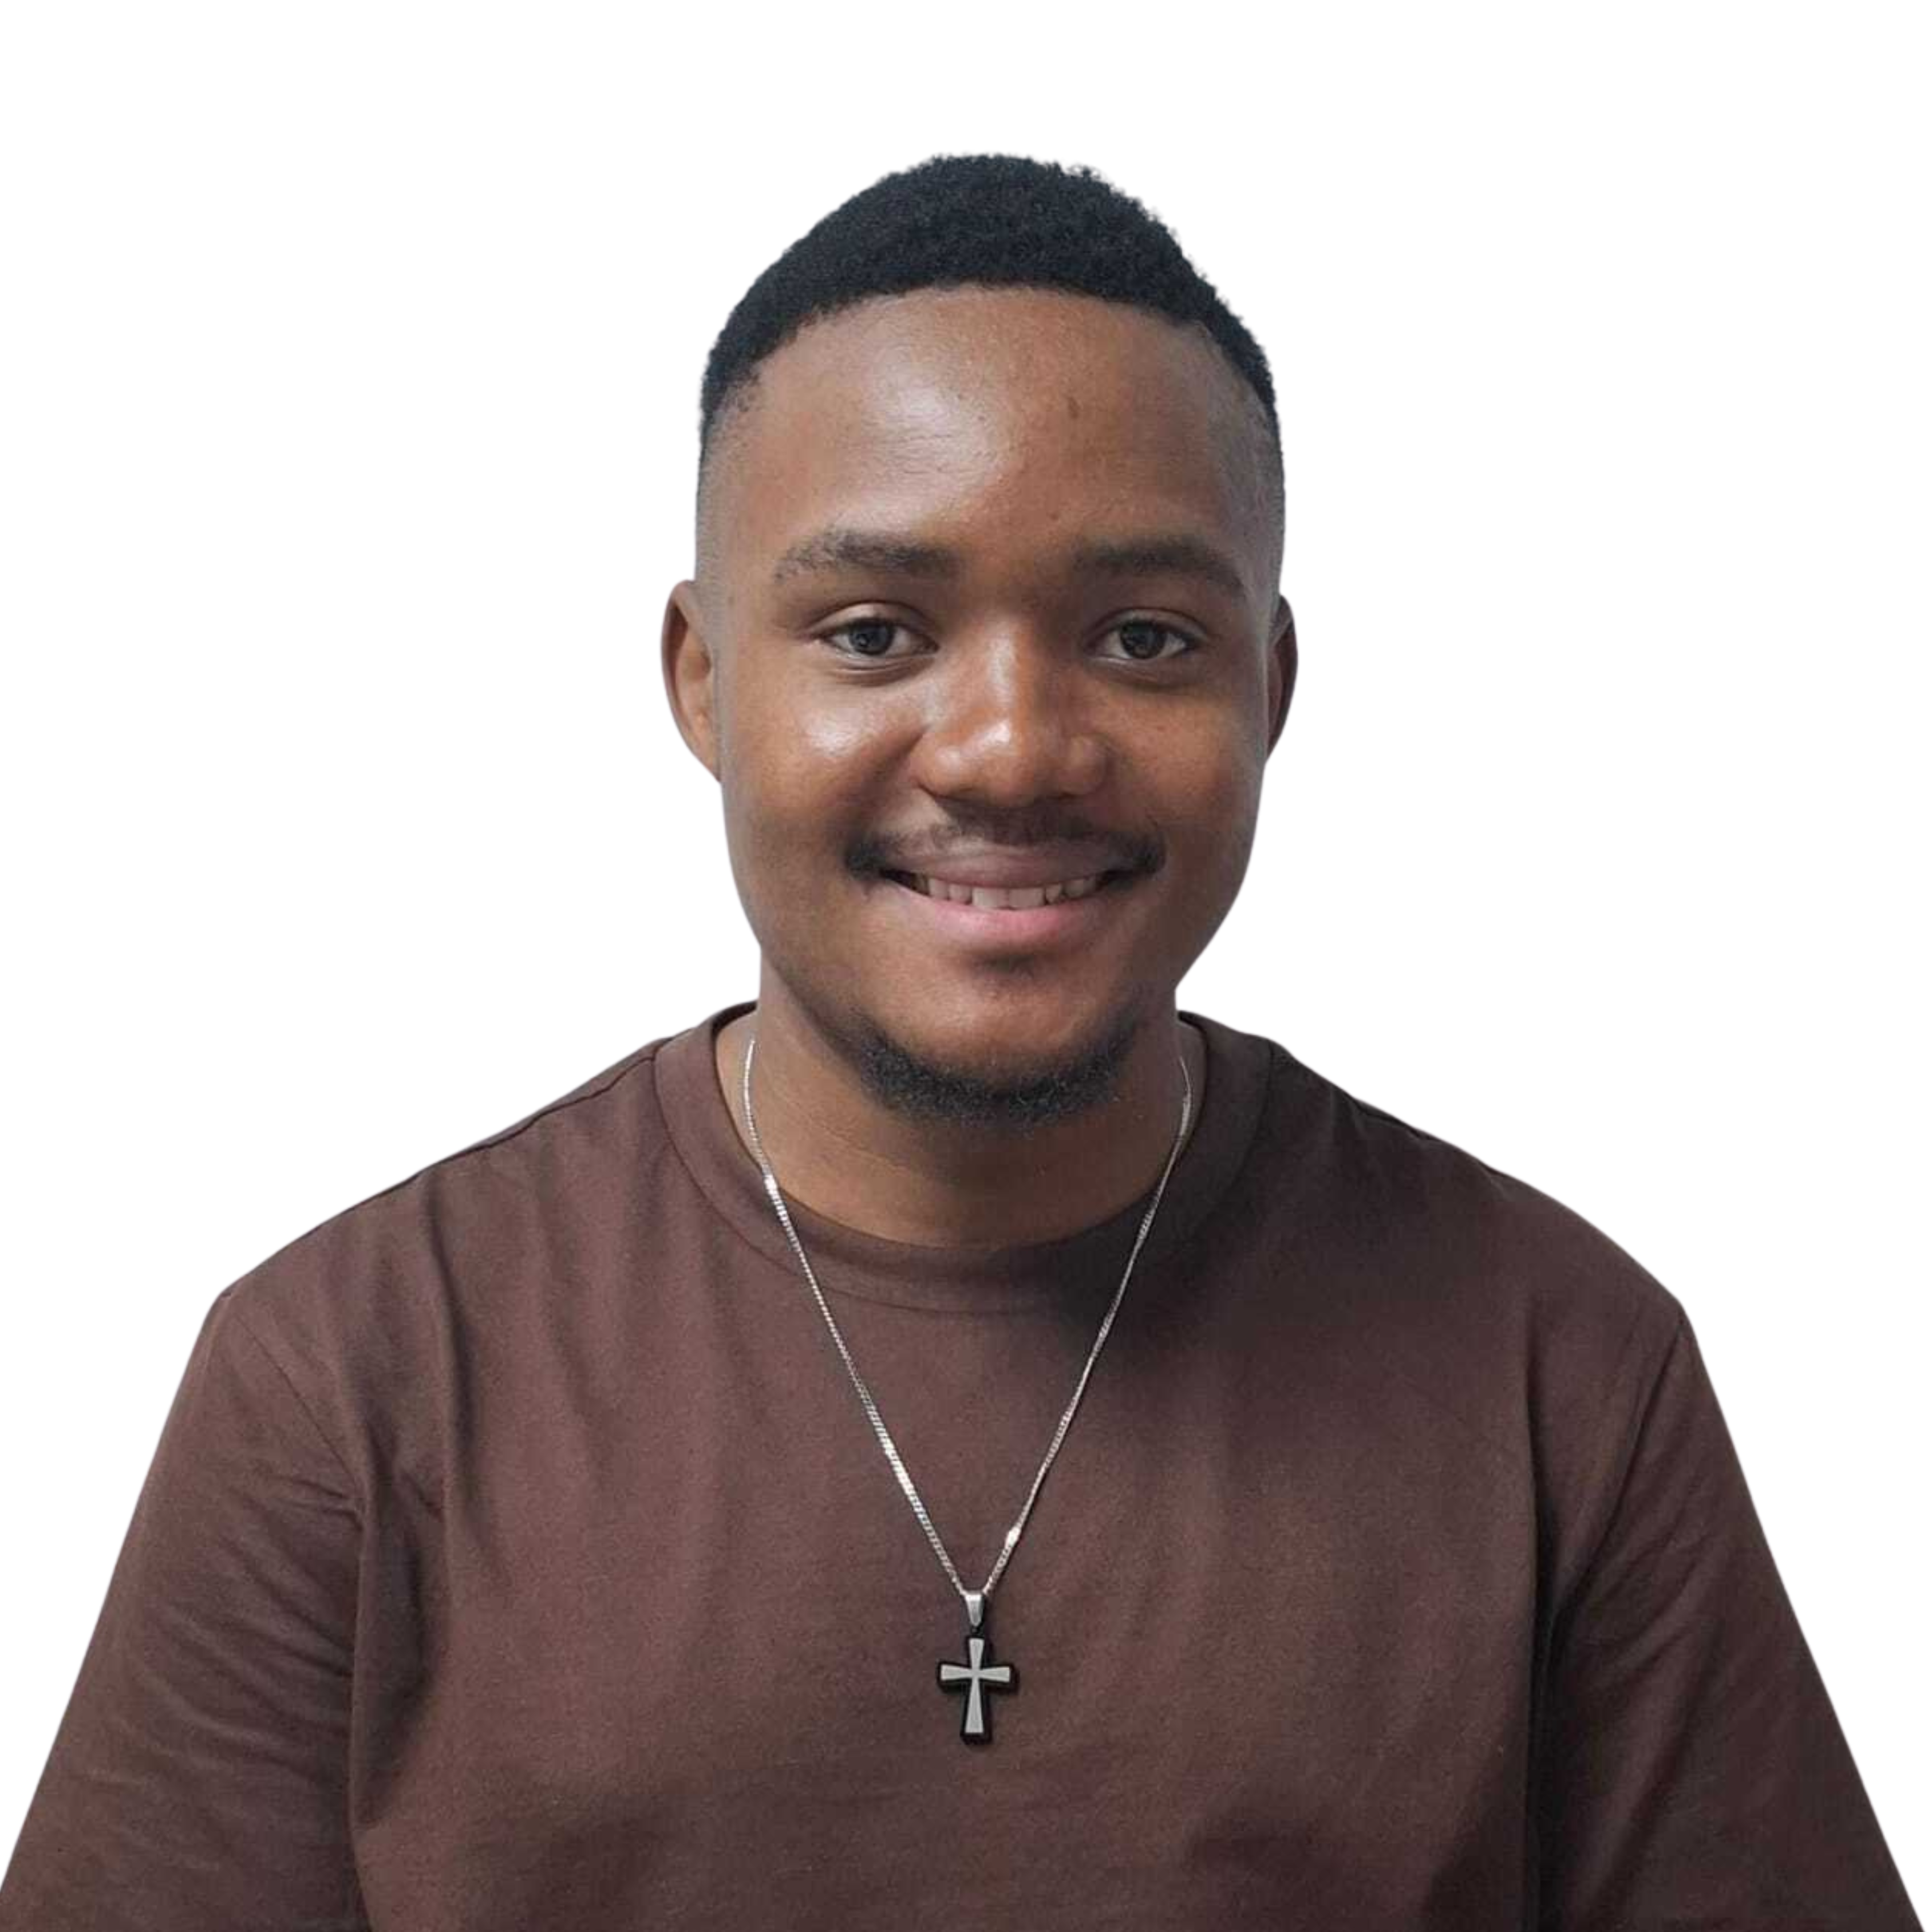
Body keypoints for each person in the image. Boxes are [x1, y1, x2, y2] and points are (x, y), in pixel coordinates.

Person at [0, 152, 1918, 1931]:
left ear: (1268, 688)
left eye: (1142, 636)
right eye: (871, 630)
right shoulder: (354, 1378)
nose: (1009, 750)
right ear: (701, 680)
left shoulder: (1556, 1367)